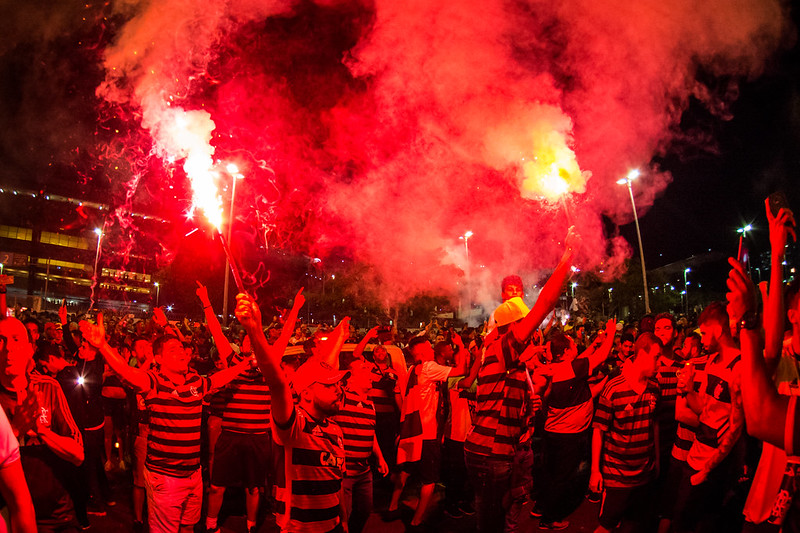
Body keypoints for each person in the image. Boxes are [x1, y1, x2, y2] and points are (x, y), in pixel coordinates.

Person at [79, 315, 253, 533]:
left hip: (194, 475)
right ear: (158, 359)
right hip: (165, 478)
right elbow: (126, 370)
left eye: (181, 348)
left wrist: (245, 364)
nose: (181, 352)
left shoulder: (196, 382)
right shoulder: (153, 382)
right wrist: (103, 346)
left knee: (188, 528)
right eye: (173, 350)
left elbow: (218, 379)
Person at [465, 227, 580, 533]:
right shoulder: (503, 348)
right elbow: (544, 304)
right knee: (491, 521)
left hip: (490, 451)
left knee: (495, 512)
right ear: (512, 327)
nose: (528, 329)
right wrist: (567, 256)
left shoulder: (502, 354)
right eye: (522, 324)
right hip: (490, 453)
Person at [237, 289, 350, 533]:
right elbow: (277, 382)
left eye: (339, 384)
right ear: (306, 393)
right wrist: (255, 331)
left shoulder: (336, 431)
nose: (339, 389)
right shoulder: (294, 427)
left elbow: (337, 483)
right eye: (330, 385)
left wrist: (344, 522)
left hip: (333, 527)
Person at [0, 317, 84, 532]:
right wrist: (15, 430)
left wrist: (42, 431)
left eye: (16, 339)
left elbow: (78, 454)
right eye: (1, 340)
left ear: (30, 349)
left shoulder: (48, 388)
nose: (8, 348)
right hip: (9, 515)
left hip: (56, 516)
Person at [670, 302, 744, 533]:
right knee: (682, 518)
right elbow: (703, 408)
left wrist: (709, 469)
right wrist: (688, 389)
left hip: (716, 466)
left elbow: (736, 428)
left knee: (706, 523)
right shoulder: (711, 362)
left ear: (718, 331)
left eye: (703, 333)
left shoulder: (739, 367)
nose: (701, 340)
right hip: (695, 457)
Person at [538, 320, 616, 530]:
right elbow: (600, 356)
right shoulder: (571, 369)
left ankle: (541, 507)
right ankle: (549, 518)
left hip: (553, 433)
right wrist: (609, 334)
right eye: (572, 345)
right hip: (567, 436)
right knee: (561, 477)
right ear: (564, 352)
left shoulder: (557, 368)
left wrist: (595, 345)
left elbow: (584, 370)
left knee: (551, 473)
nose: (576, 348)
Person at [387, 334, 467, 528]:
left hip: (412, 431)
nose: (433, 349)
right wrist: (461, 347)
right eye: (429, 347)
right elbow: (461, 370)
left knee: (406, 470)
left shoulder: (411, 370)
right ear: (422, 350)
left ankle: (392, 507)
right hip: (428, 432)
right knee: (429, 479)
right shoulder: (429, 368)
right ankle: (418, 520)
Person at [590, 332, 662, 533]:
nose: (659, 363)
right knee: (606, 526)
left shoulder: (655, 388)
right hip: (617, 476)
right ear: (642, 355)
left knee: (635, 525)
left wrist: (657, 462)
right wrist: (595, 471)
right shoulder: (613, 388)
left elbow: (654, 425)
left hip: (644, 475)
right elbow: (599, 430)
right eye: (656, 357)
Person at [333, 357, 389, 533]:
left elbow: (370, 433)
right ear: (349, 378)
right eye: (363, 368)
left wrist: (380, 458)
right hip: (345, 473)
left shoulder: (370, 404)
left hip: (364, 472)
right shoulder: (342, 397)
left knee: (364, 511)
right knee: (343, 518)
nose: (369, 371)